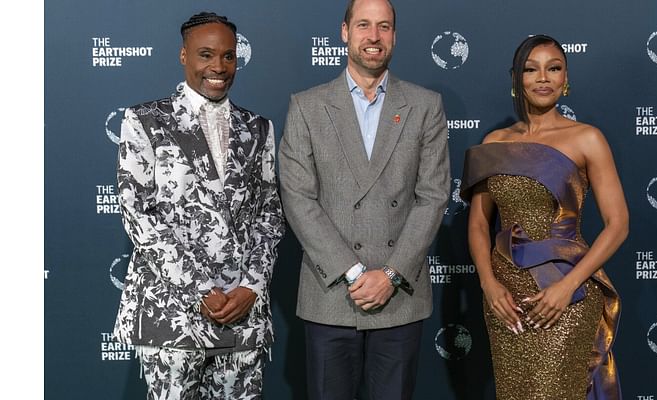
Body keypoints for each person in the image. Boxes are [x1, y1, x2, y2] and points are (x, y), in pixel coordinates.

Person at [277, 0, 450, 398]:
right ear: (344, 31)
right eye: (364, 25)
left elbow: (433, 195)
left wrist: (389, 275)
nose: (373, 37)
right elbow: (298, 198)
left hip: (399, 298)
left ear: (394, 36)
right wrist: (355, 273)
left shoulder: (424, 106)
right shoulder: (307, 106)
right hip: (332, 294)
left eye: (384, 27)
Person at [112, 11, 284, 399]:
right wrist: (201, 290)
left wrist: (252, 287)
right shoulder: (145, 120)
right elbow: (140, 215)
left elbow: (270, 216)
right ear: (184, 56)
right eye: (206, 55)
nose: (218, 67)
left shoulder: (258, 128)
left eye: (228, 56)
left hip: (243, 318)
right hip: (173, 316)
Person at [461, 34, 628, 400]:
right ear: (516, 79)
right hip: (506, 303)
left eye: (553, 69)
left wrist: (568, 287)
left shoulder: (587, 138)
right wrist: (489, 286)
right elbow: (477, 224)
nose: (543, 78)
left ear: (565, 78)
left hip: (566, 296)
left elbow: (618, 225)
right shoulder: (494, 144)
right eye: (531, 69)